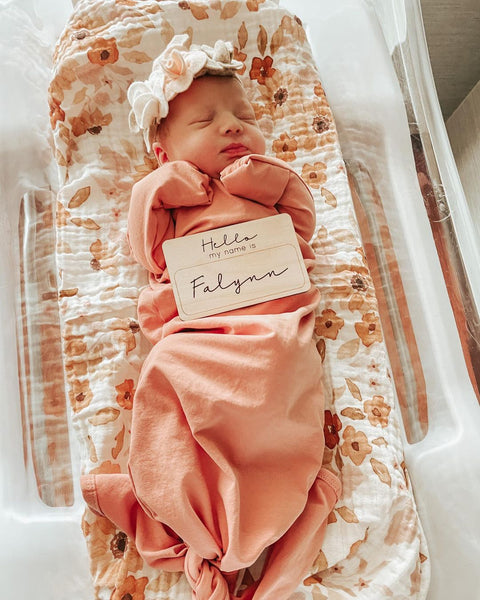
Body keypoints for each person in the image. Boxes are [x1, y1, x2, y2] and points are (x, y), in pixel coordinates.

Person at [81, 34, 341, 600]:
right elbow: (148, 253)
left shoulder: (263, 189)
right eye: (206, 121)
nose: (233, 126)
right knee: (171, 369)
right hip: (200, 335)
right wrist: (158, 189)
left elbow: (302, 228)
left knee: (278, 386)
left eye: (244, 116)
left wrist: (267, 179)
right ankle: (186, 505)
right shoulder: (170, 202)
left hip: (272, 333)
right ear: (163, 151)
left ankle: (247, 505)